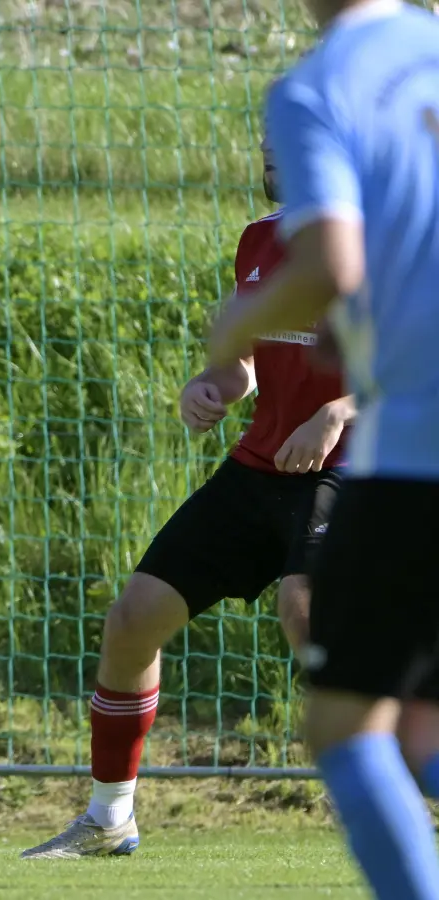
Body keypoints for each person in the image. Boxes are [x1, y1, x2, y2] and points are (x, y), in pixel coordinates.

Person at [23, 139, 354, 860]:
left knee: (306, 614)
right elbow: (242, 364)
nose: (271, 151)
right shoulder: (259, 242)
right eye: (266, 140)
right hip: (260, 468)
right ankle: (109, 818)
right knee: (133, 618)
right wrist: (212, 387)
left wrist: (335, 414)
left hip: (355, 463)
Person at [206, 0, 439, 894]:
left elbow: (329, 266)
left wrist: (239, 324)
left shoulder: (320, 86)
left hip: (413, 449)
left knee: (347, 728)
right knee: (417, 729)